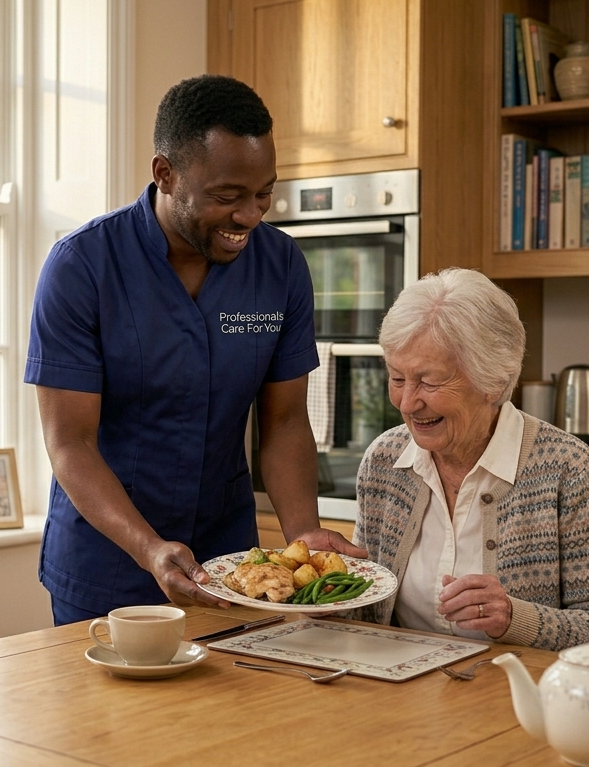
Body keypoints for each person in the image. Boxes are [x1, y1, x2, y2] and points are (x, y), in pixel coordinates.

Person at [25, 74, 365, 625]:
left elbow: (283, 422)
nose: (250, 216)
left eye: (263, 194)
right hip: (107, 562)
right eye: (227, 196)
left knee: (233, 710)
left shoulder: (279, 267)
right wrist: (148, 547)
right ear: (165, 173)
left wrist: (303, 534)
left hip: (230, 562)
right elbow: (70, 442)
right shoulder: (82, 267)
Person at [346, 268, 589, 651]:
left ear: (495, 381)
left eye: (429, 382)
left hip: (512, 698)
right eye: (397, 378)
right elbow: (363, 613)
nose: (406, 402)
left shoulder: (567, 468)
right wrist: (328, 587)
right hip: (397, 691)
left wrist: (515, 619)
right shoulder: (385, 460)